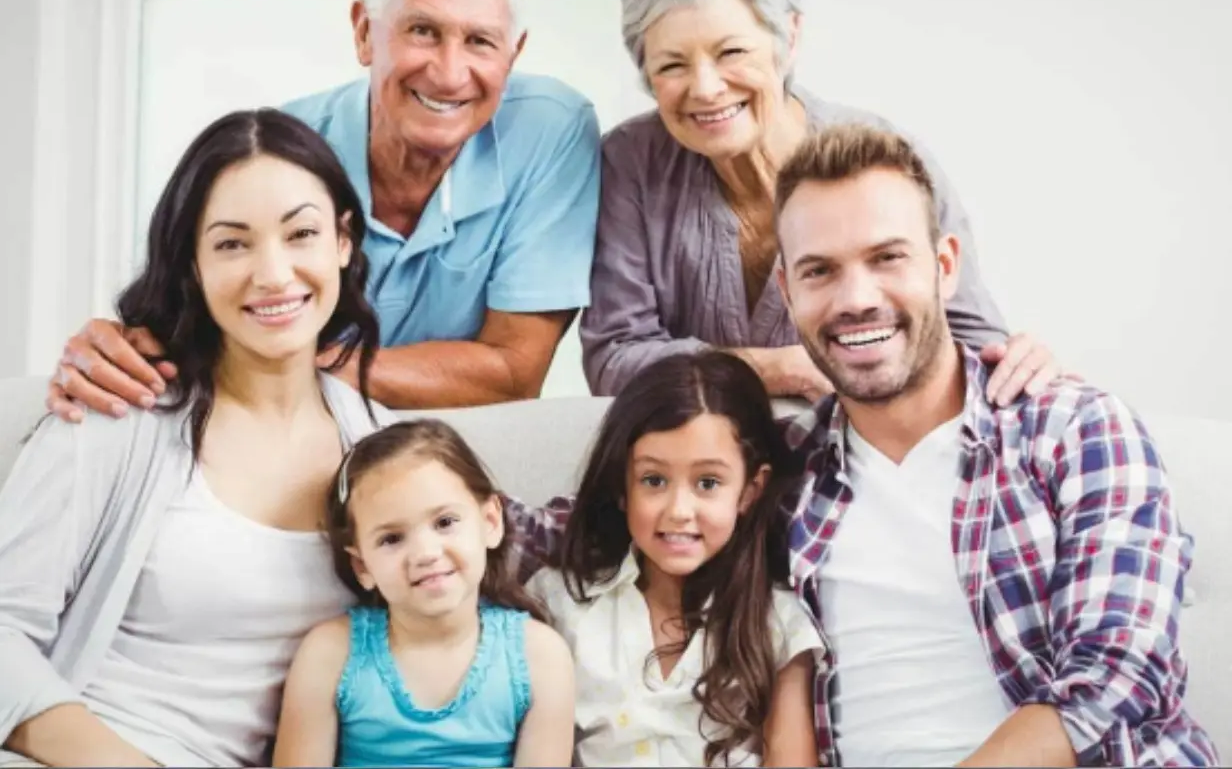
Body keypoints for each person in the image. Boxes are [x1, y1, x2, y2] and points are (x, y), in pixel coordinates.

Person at [768, 124, 1216, 766]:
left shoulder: (1073, 430)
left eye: (887, 258)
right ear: (788, 292)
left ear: (945, 267)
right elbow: (609, 527)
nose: (857, 299)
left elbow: (1116, 676)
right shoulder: (780, 471)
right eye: (820, 271)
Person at [46, 0, 601, 418]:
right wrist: (108, 353)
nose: (451, 73)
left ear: (514, 52)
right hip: (291, 434)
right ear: (364, 32)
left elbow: (512, 372)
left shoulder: (553, 131)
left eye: (480, 41)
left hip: (448, 458)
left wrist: (293, 360)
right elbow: (181, 322)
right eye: (423, 31)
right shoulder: (276, 153)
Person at [0, 109, 394, 768]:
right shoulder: (115, 413)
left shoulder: (384, 448)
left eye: (301, 234)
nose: (273, 274)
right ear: (192, 263)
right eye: (233, 244)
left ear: (343, 242)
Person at [581, 0, 1060, 406]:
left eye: (731, 53)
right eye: (672, 64)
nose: (705, 88)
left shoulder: (884, 159)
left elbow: (973, 347)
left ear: (788, 38)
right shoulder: (629, 164)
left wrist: (1020, 363)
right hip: (699, 471)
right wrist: (777, 369)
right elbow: (614, 360)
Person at [524, 351, 823, 767]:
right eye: (654, 480)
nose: (679, 509)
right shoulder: (558, 601)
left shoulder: (780, 623)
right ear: (622, 489)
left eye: (708, 483)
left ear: (751, 490)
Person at [273, 420, 574, 769]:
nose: (426, 553)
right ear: (362, 567)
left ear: (491, 522)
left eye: (445, 522)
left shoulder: (540, 656)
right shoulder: (330, 653)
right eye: (392, 539)